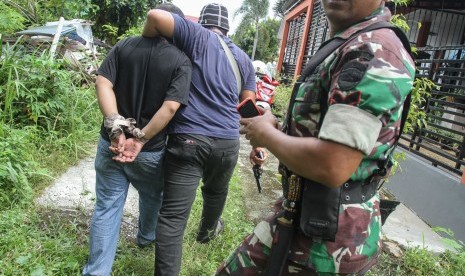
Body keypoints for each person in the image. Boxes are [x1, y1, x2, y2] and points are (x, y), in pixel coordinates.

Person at [217, 0, 415, 275]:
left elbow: (333, 164)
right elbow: (323, 130)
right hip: (303, 213)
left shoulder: (372, 49)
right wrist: (275, 126)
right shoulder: (349, 42)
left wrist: (268, 135)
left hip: (328, 238)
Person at [142, 3, 263, 275]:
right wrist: (257, 146)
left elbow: (155, 16)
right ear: (228, 27)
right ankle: (207, 233)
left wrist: (146, 42)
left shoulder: (195, 35)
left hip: (189, 138)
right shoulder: (243, 59)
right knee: (216, 191)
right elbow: (248, 106)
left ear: (202, 22)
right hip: (228, 142)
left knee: (173, 218)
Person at [82, 4, 192, 276]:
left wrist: (116, 128)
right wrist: (139, 138)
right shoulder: (180, 60)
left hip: (111, 143)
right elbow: (169, 108)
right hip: (150, 151)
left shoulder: (124, 46)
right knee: (153, 196)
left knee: (107, 206)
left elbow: (103, 82)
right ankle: (145, 237)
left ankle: (97, 271)